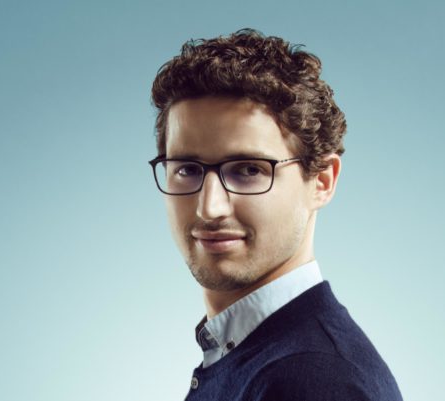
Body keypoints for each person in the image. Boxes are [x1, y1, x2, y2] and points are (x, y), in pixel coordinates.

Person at [149, 28, 403, 401]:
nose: (209, 207)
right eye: (187, 169)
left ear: (322, 181)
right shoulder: (248, 354)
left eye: (249, 170)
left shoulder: (314, 382)